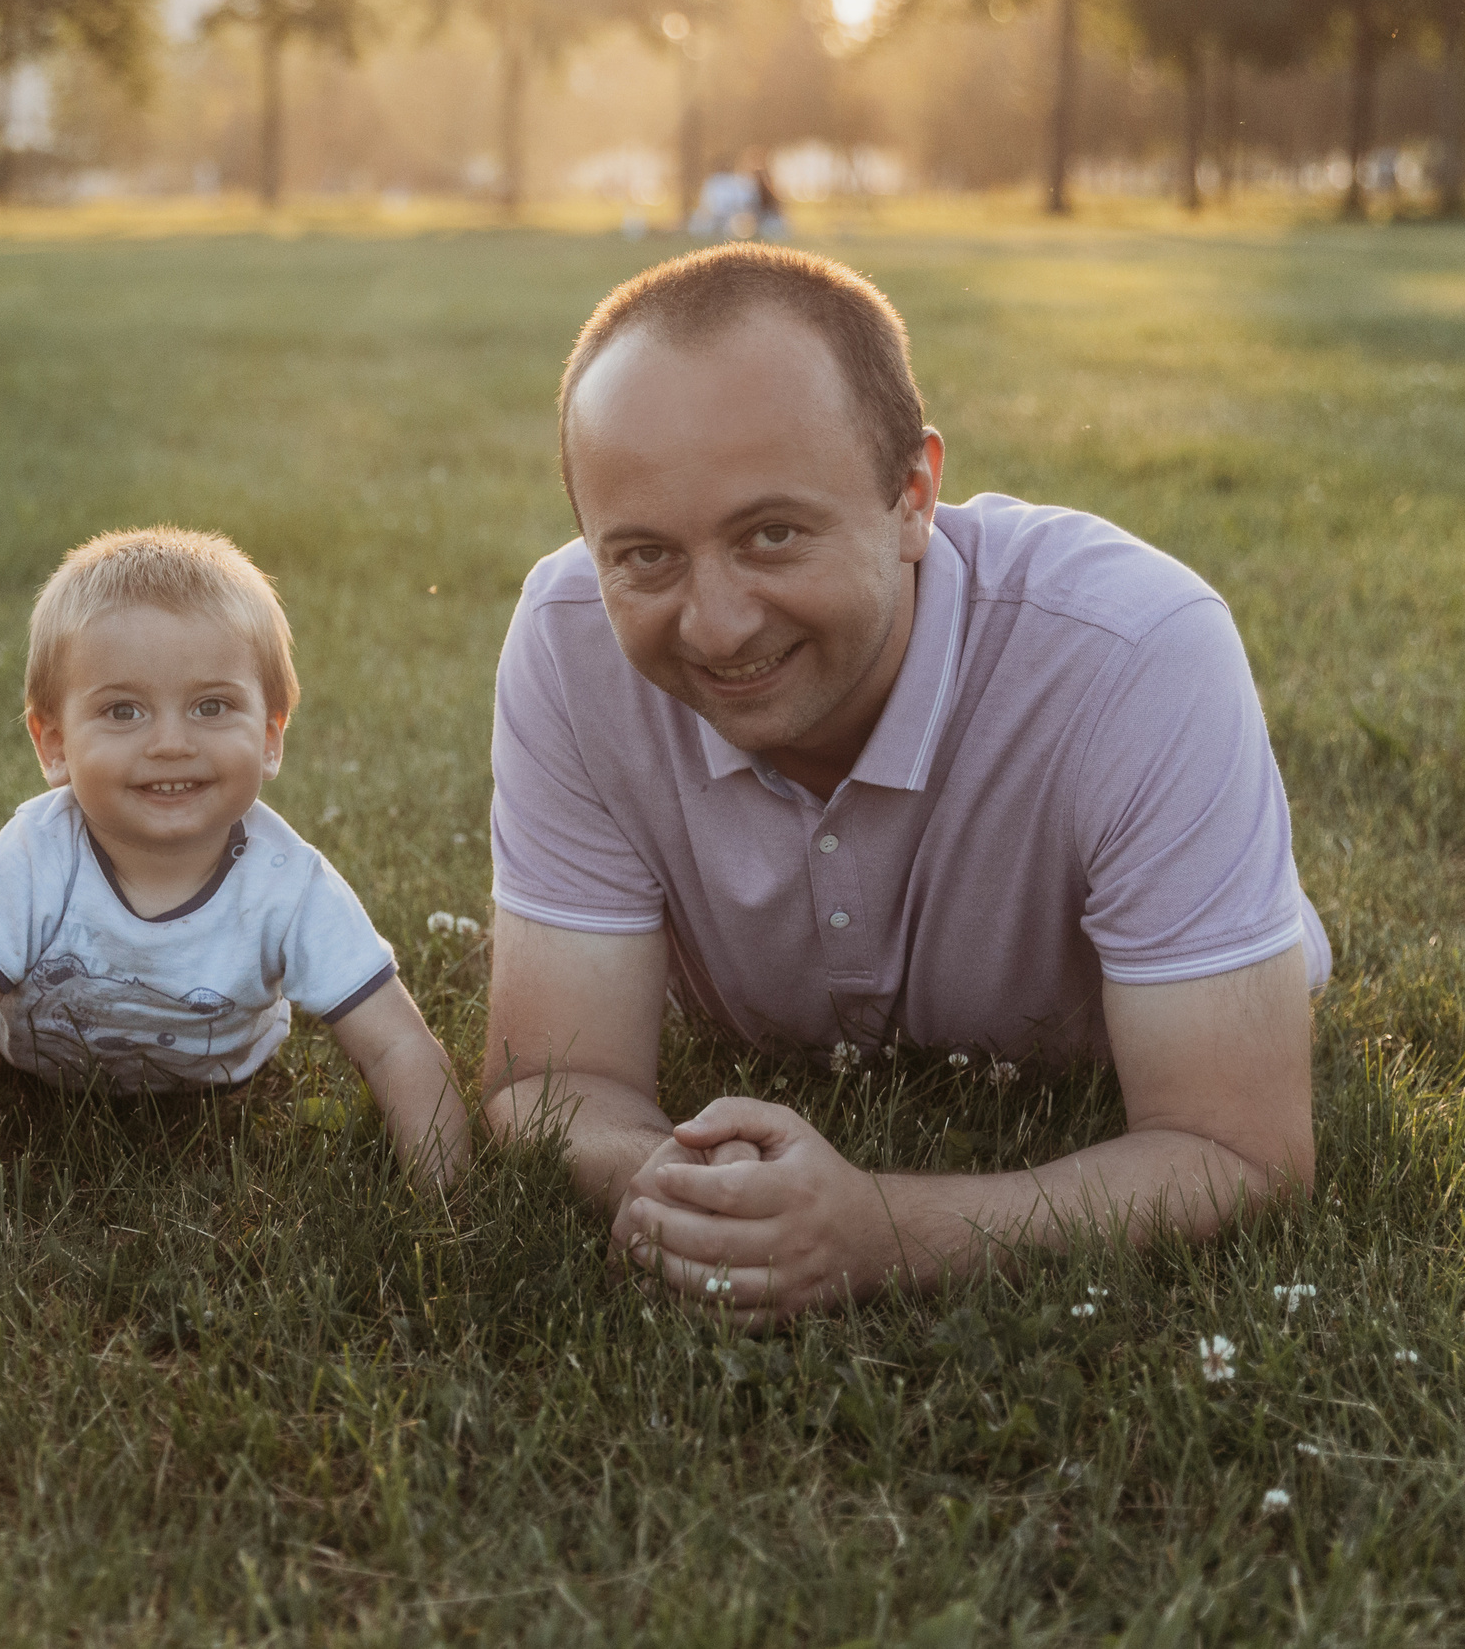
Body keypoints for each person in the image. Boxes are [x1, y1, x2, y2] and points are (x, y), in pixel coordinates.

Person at [481, 243, 1327, 1327]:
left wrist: (879, 1230)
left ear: (914, 496)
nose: (716, 623)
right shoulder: (565, 639)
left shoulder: (1138, 649)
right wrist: (692, 1200)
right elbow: (548, 1084)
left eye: (772, 535)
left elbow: (1239, 1150)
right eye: (643, 556)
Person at [0, 527, 469, 1204]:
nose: (171, 743)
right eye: (123, 710)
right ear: (55, 744)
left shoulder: (288, 883)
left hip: (217, 1080)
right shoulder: (36, 855)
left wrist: (444, 1203)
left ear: (271, 737)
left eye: (211, 706)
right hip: (37, 1069)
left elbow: (397, 1043)